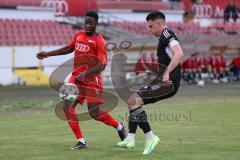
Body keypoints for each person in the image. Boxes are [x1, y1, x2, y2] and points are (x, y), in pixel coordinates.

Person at [36, 11, 126, 150]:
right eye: (85, 22)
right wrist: (47, 54)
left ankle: (119, 127)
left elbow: (102, 65)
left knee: (94, 114)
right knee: (67, 108)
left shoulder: (99, 41)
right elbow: (68, 48)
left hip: (92, 80)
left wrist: (85, 74)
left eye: (90, 22)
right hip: (76, 78)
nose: (87, 25)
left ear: (96, 23)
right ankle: (81, 141)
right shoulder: (78, 35)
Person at [117, 11, 184, 155]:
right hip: (163, 80)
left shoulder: (167, 35)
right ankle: (130, 138)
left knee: (133, 101)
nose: (149, 29)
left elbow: (179, 53)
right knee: (132, 102)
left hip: (168, 82)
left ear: (159, 24)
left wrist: (166, 73)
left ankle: (150, 138)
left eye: (151, 26)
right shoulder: (164, 37)